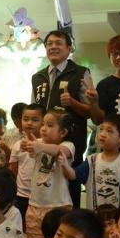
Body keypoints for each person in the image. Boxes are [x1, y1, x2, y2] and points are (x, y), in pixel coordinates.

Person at [31, 30, 93, 208]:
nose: (53, 47)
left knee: (69, 197)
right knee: (43, 191)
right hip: (43, 147)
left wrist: (72, 103)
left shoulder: (81, 73)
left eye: (58, 43)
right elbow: (35, 108)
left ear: (69, 48)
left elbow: (91, 111)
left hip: (71, 147)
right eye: (49, 44)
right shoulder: (38, 77)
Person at [22, 109, 75, 238]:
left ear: (63, 132)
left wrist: (39, 146)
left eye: (50, 125)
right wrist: (27, 145)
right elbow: (32, 149)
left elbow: (60, 150)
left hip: (58, 206)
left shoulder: (69, 145)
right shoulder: (39, 142)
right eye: (44, 124)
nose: (44, 128)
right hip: (35, 204)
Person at [60, 114, 120, 211]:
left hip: (117, 219)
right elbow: (74, 175)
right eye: (101, 129)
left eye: (109, 131)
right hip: (94, 217)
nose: (102, 134)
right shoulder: (91, 160)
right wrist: (65, 165)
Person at [87, 35, 120, 124]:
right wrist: (94, 103)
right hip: (114, 136)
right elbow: (98, 121)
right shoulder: (104, 85)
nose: (118, 57)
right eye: (114, 54)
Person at [8, 103, 44, 227]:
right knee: (21, 226)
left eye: (35, 120)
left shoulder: (47, 145)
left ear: (43, 123)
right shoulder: (17, 145)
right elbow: (13, 170)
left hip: (40, 195)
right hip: (21, 195)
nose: (29, 123)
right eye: (26, 119)